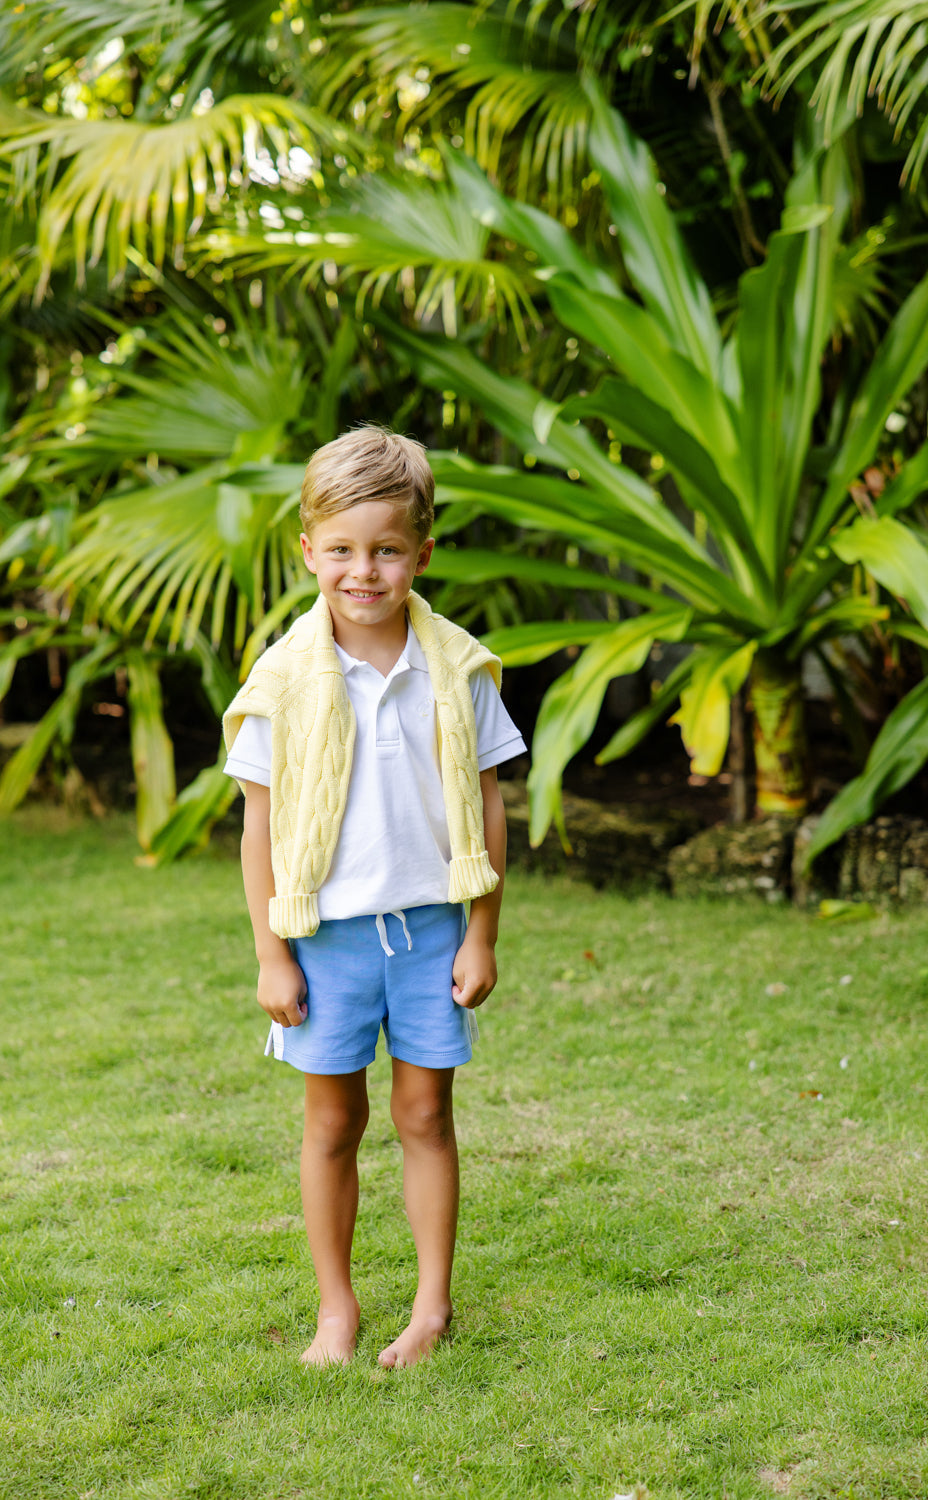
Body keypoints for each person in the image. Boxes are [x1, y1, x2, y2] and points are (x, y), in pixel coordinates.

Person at [222, 425, 525, 1369]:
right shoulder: (283, 680)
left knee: (426, 1117)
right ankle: (337, 1310)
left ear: (421, 554)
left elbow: (487, 805)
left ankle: (432, 1306)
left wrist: (481, 934)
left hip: (432, 933)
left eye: (387, 550)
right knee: (332, 1123)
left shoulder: (457, 669)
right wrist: (273, 953)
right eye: (343, 550)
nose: (365, 572)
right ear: (309, 549)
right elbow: (260, 830)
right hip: (325, 940)